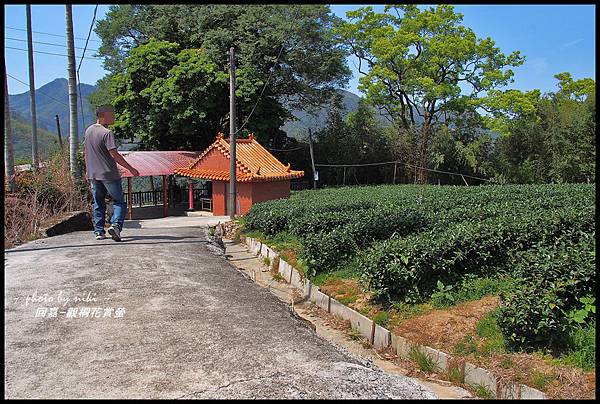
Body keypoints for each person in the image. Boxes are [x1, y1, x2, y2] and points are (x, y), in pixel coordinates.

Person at [84, 105, 139, 241]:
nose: (114, 117)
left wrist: (87, 170)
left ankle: (99, 231)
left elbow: (86, 153)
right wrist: (130, 168)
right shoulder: (106, 133)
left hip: (93, 174)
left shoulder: (88, 131)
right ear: (103, 115)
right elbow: (114, 154)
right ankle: (116, 226)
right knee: (119, 202)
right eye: (112, 115)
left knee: (98, 202)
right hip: (108, 173)